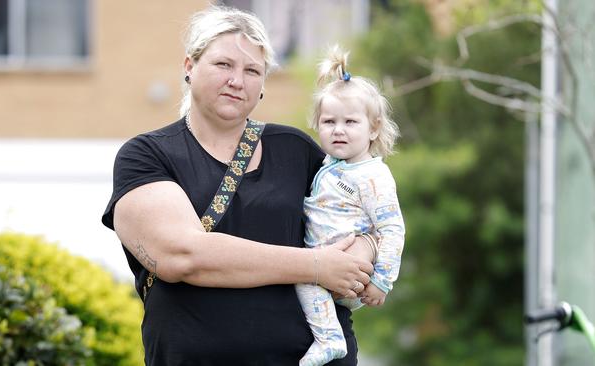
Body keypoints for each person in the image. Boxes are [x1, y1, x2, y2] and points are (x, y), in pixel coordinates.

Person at [101, 6, 375, 365]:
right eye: (223, 65)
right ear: (189, 66)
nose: (237, 80)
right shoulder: (146, 155)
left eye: (252, 71)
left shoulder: (297, 150)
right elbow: (181, 255)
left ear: (263, 84)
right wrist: (317, 265)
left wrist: (365, 252)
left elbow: (366, 219)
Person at [295, 47, 406, 366]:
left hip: (347, 267)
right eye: (329, 121)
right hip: (325, 258)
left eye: (350, 122)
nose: (338, 129)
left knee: (302, 274)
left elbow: (392, 228)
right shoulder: (331, 164)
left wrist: (382, 280)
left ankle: (330, 339)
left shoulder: (372, 175)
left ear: (373, 128)